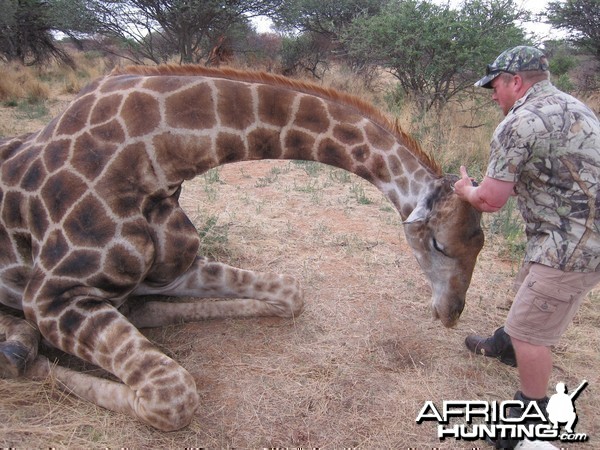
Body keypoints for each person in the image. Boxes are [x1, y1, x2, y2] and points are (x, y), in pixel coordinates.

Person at [454, 45, 600, 449]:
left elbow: (491, 200)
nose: (493, 94)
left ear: (515, 81)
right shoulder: (576, 106)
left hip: (569, 247)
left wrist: (466, 190)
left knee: (532, 334)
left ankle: (528, 421)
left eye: (495, 85)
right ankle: (505, 345)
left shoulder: (518, 123)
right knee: (529, 293)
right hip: (580, 237)